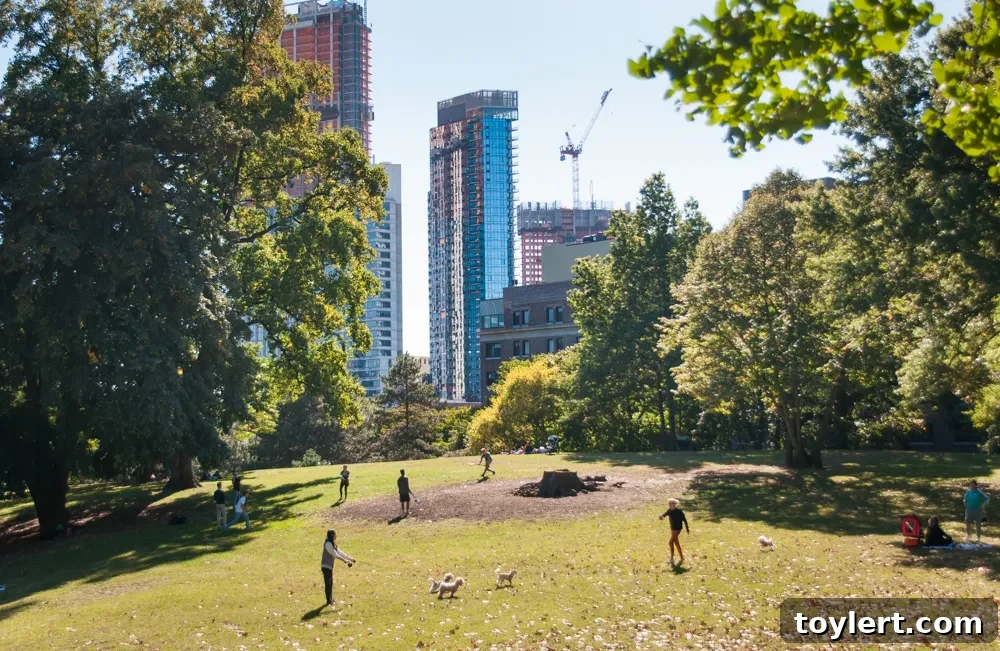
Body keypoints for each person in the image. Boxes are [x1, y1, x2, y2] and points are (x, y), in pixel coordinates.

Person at [321, 529, 355, 608]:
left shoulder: (333, 544)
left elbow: (340, 552)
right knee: (328, 584)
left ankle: (331, 599)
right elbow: (334, 554)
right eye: (335, 534)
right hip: (325, 566)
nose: (336, 535)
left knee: (330, 583)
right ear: (332, 535)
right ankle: (328, 600)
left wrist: (351, 559)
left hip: (329, 567)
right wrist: (344, 561)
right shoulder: (328, 544)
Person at [659, 497, 690, 565]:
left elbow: (684, 520)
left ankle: (671, 558)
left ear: (675, 504)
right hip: (672, 528)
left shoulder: (679, 511)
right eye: (669, 503)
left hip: (678, 528)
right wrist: (661, 517)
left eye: (671, 503)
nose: (670, 504)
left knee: (670, 542)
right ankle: (682, 557)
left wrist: (687, 528)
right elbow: (664, 515)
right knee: (676, 543)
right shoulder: (669, 510)